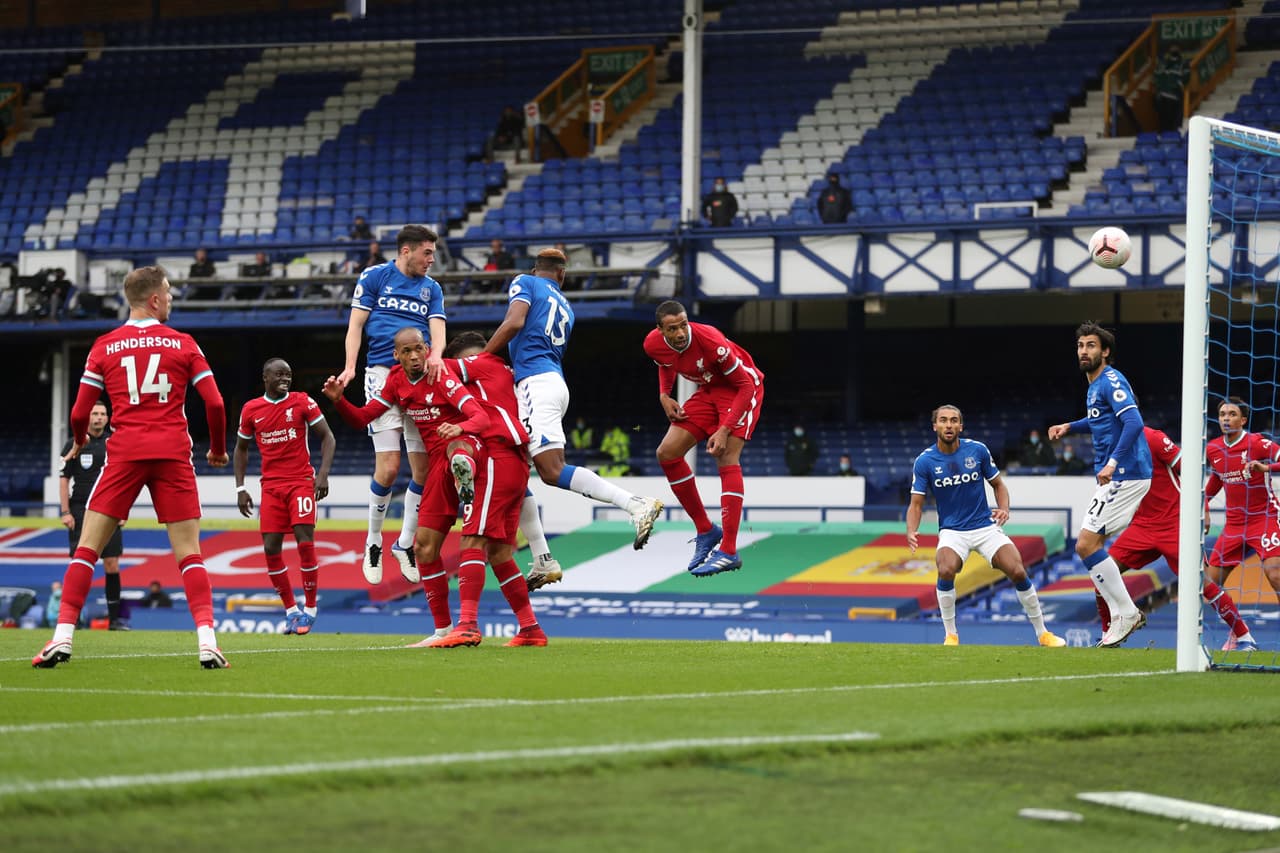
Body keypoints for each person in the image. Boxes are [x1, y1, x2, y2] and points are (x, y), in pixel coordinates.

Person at [32, 265, 230, 669]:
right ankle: (208, 642)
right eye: (169, 292)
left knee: (87, 548)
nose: (172, 298)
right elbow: (215, 403)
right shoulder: (183, 343)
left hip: (124, 454)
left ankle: (62, 638)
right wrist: (219, 449)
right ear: (154, 299)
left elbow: (80, 411)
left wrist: (82, 438)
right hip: (172, 453)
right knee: (189, 554)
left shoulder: (104, 346)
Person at [485, 247, 664, 588]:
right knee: (515, 467)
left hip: (535, 385)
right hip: (551, 382)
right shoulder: (567, 306)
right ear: (562, 276)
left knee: (551, 471)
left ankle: (634, 503)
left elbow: (515, 322)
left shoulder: (525, 282)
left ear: (535, 269)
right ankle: (543, 559)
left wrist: (481, 358)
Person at [324, 327, 491, 645]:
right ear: (396, 356)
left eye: (419, 349)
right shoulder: (396, 382)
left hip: (462, 445)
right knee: (424, 549)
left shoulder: (441, 375)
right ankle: (443, 630)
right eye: (408, 351)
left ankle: (465, 473)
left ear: (428, 349)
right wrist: (339, 401)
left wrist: (457, 427)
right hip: (437, 468)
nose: (415, 356)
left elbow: (479, 419)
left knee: (461, 454)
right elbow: (363, 418)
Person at [336, 225, 446, 587]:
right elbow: (356, 326)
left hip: (420, 380)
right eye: (427, 253)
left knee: (423, 470)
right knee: (388, 467)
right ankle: (372, 542)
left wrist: (438, 359)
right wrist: (351, 366)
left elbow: (438, 331)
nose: (431, 259)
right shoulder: (375, 277)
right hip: (382, 374)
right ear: (406, 251)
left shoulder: (432, 289)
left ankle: (404, 544)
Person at [908, 405, 1066, 648]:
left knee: (1018, 571)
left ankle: (1043, 634)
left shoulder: (977, 450)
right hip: (953, 532)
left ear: (960, 426)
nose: (948, 425)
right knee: (946, 569)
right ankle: (951, 635)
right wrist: (911, 530)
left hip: (984, 527)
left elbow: (999, 485)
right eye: (943, 421)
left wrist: (1004, 508)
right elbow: (916, 504)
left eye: (953, 421)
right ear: (935, 426)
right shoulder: (925, 461)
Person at [434, 330, 550, 647]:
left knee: (472, 537)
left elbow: (432, 368)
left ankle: (468, 624)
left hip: (496, 456)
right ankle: (530, 628)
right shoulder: (505, 375)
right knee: (499, 552)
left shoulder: (482, 364)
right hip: (515, 464)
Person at [1097, 425, 1257, 650]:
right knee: (1101, 573)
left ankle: (1244, 637)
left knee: (1201, 583)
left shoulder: (1153, 438)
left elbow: (1190, 471)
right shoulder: (1112, 442)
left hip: (1175, 522)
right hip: (1142, 525)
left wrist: (1204, 509)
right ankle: (1108, 636)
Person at [1047, 321, 1152, 648]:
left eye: (1091, 345)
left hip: (1126, 473)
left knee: (1085, 545)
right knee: (1087, 546)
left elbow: (1134, 422)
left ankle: (1127, 610)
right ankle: (1122, 613)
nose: (1084, 351)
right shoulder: (1094, 386)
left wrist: (1113, 462)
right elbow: (1098, 420)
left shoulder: (1110, 380)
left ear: (1105, 352)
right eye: (1080, 346)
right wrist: (1069, 425)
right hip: (1118, 474)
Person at [645, 300, 764, 577]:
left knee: (726, 455)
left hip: (740, 389)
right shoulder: (653, 344)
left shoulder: (710, 339)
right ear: (661, 330)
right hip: (709, 389)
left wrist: (723, 429)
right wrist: (664, 394)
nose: (680, 333)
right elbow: (665, 363)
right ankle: (706, 529)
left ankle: (729, 551)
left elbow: (745, 385)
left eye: (683, 325)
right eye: (673, 328)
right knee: (667, 453)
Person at [234, 358, 336, 635]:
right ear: (265, 377)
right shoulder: (252, 409)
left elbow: (328, 437)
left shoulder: (302, 402)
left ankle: (311, 608)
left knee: (305, 541)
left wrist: (323, 475)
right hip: (271, 487)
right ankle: (291, 610)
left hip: (301, 483)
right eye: (279, 374)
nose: (285, 379)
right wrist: (240, 488)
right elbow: (241, 449)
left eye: (288, 375)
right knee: (270, 547)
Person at [1204, 396, 1280, 616]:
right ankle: (1240, 633)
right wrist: (1205, 507)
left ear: (1243, 420)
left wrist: (1266, 469)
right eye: (1222, 415)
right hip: (1234, 526)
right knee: (1209, 584)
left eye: (1232, 414)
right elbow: (1217, 479)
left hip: (1264, 519)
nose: (1226, 419)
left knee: (1275, 574)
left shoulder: (1257, 443)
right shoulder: (1213, 448)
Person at [58, 401, 128, 630]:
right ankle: (73, 619)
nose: (98, 417)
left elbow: (127, 478)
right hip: (80, 509)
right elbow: (64, 478)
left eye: (102, 414)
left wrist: (123, 509)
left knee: (111, 564)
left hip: (110, 507)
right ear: (87, 418)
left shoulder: (114, 443)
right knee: (79, 563)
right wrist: (66, 511)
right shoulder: (74, 443)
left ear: (108, 418)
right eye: (94, 414)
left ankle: (114, 620)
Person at [1154, 44, 1190, 133]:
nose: (1174, 49)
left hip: (1175, 97)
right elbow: (1157, 76)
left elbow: (1186, 78)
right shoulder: (1163, 63)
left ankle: (1174, 136)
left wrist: (1177, 85)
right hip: (1162, 97)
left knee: (1174, 123)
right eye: (1172, 47)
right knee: (1163, 123)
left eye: (1175, 47)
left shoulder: (1183, 63)